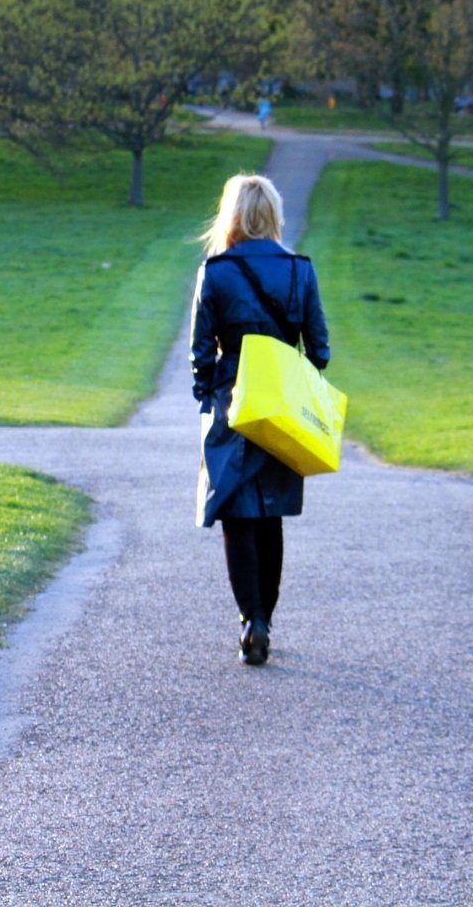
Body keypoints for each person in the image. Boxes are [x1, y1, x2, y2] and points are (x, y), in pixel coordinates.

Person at [190, 174, 331, 665]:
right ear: (272, 214)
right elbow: (321, 351)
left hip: (233, 402)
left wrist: (208, 397)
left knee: (235, 513)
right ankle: (264, 618)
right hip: (282, 404)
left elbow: (200, 356)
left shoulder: (216, 271)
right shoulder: (300, 270)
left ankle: (252, 618)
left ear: (231, 215)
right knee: (270, 514)